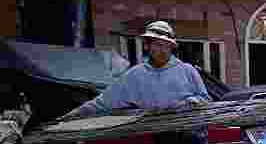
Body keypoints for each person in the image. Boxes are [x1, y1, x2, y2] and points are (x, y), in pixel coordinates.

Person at [61, 21, 211, 120]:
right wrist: (68, 118)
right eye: (157, 45)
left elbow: (206, 100)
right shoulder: (135, 75)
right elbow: (101, 103)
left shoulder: (187, 71)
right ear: (147, 46)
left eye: (167, 46)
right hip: (150, 135)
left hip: (186, 134)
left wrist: (192, 102)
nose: (163, 50)